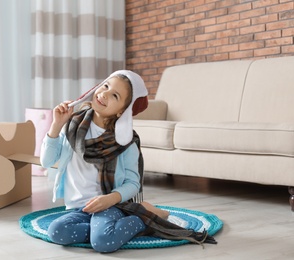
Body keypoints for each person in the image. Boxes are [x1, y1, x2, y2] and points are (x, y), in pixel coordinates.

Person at [41, 70, 215, 253]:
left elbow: (132, 183)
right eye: (106, 86)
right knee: (57, 231)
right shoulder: (72, 125)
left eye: (115, 95)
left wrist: (110, 199)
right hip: (78, 208)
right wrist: (56, 125)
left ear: (121, 112)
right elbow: (47, 161)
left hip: (111, 205)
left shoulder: (125, 142)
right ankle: (123, 220)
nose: (105, 94)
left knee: (102, 242)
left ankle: (143, 217)